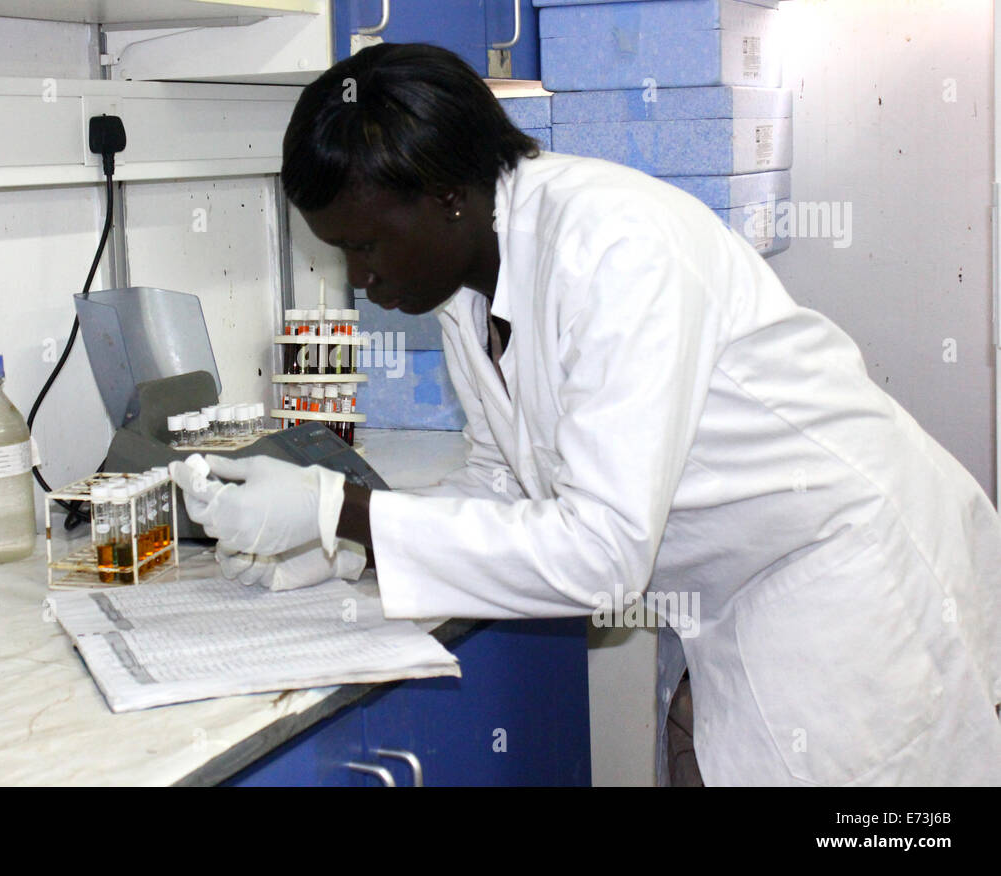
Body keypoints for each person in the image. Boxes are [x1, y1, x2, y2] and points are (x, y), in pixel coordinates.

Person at [172, 43, 1001, 786]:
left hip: (850, 580)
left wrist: (340, 506)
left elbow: (604, 557)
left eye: (365, 246)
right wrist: (341, 542)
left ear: (449, 197)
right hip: (742, 590)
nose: (360, 280)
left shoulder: (616, 251)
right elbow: (504, 484)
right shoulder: (471, 286)